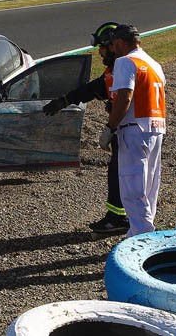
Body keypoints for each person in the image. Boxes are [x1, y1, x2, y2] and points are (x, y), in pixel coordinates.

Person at [42, 22, 129, 233]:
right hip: (127, 131)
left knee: (124, 175)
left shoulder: (124, 68)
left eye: (102, 47)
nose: (100, 52)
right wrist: (64, 100)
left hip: (130, 131)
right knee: (119, 173)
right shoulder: (115, 70)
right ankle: (118, 217)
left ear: (113, 45)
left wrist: (110, 126)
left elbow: (124, 98)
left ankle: (121, 220)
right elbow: (93, 89)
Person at [105, 24, 166, 237]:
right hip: (156, 128)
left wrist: (110, 127)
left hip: (134, 129)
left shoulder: (125, 61)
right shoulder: (154, 64)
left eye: (113, 44)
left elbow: (125, 97)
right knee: (150, 185)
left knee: (132, 186)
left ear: (121, 42)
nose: (112, 50)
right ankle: (140, 229)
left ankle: (142, 234)